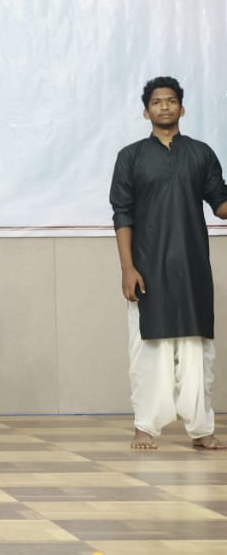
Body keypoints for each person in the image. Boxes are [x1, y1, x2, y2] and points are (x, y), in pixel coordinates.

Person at [111, 76, 227, 451]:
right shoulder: (130, 157)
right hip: (148, 268)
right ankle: (145, 426)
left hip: (192, 266)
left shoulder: (201, 153)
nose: (165, 106)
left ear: (182, 108)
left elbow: (220, 205)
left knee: (197, 349)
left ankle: (201, 428)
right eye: (157, 102)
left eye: (171, 100)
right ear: (146, 112)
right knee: (150, 349)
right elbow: (122, 214)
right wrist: (127, 268)